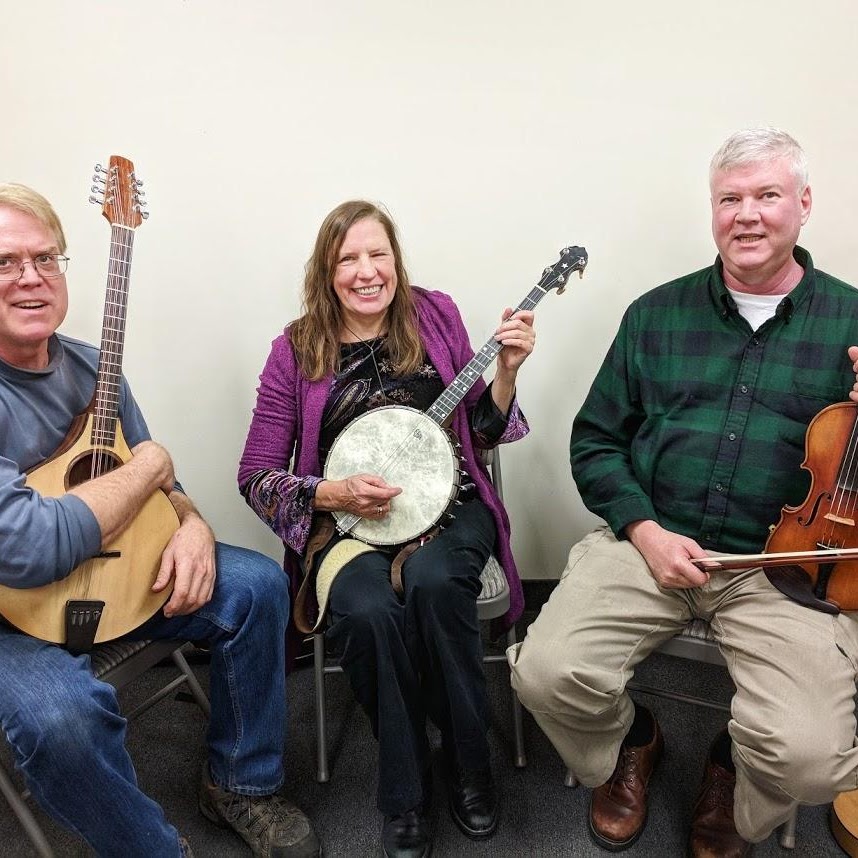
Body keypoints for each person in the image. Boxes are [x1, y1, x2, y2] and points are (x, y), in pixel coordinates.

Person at [509, 127, 858, 857]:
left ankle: (737, 767)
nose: (746, 215)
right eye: (729, 199)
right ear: (713, 210)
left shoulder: (852, 322)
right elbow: (595, 441)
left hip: (782, 569)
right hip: (651, 540)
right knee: (544, 674)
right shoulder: (655, 315)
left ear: (803, 204)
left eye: (767, 195)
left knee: (811, 756)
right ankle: (634, 740)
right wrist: (645, 531)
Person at [0, 183, 320, 858]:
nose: (30, 277)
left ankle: (240, 784)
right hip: (10, 614)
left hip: (117, 577)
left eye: (45, 258)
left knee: (258, 586)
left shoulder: (94, 367)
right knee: (61, 720)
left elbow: (161, 483)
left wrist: (193, 524)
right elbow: (29, 548)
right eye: (5, 262)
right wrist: (151, 466)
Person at [238, 199, 534, 858]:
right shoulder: (295, 350)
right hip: (349, 526)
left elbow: (483, 433)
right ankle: (406, 787)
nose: (367, 271)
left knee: (436, 583)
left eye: (379, 254)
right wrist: (330, 493)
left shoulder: (437, 316)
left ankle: (469, 761)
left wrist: (507, 374)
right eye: (349, 258)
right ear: (326, 271)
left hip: (452, 507)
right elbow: (256, 475)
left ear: (396, 260)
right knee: (367, 610)